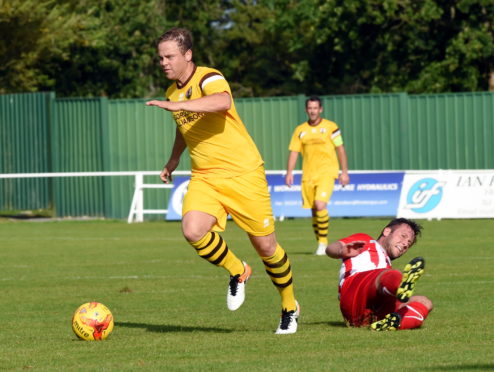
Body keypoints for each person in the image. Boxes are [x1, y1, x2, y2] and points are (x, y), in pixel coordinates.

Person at [145, 27, 299, 334]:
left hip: (243, 173)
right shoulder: (172, 92)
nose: (163, 62)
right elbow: (184, 127)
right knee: (192, 230)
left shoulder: (207, 77)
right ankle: (238, 270)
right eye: (160, 57)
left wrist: (178, 106)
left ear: (187, 55)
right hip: (205, 176)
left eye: (170, 56)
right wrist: (174, 159)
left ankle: (289, 306)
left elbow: (222, 101)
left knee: (267, 247)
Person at [325, 218, 433, 331]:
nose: (406, 244)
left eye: (409, 243)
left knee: (424, 302)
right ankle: (399, 286)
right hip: (355, 295)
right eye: (403, 236)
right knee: (388, 275)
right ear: (387, 231)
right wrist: (341, 250)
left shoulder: (386, 264)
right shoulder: (366, 241)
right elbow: (330, 249)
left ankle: (394, 322)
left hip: (373, 313)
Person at [285, 96, 350, 256]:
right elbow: (294, 152)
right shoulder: (300, 130)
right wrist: (289, 172)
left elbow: (340, 149)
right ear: (306, 110)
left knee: (320, 204)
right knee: (314, 210)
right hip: (308, 175)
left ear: (320, 109)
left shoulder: (331, 127)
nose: (312, 111)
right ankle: (319, 241)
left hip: (327, 173)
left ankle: (323, 243)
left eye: (315, 108)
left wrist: (344, 172)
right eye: (310, 108)